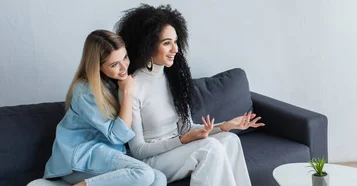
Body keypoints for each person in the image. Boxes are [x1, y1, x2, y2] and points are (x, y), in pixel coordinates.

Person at [115, 4, 264, 185]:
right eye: (167, 43)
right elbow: (138, 150)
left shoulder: (173, 78)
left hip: (177, 148)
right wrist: (182, 140)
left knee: (230, 140)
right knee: (209, 148)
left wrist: (225, 126)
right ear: (148, 45)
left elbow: (187, 129)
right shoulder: (133, 86)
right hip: (152, 160)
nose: (175, 49)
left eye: (176, 41)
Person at [38, 30, 166, 186]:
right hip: (79, 160)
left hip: (105, 155)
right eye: (114, 64)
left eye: (124, 57)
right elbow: (118, 136)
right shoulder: (85, 91)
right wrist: (127, 93)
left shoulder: (114, 81)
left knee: (159, 178)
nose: (123, 67)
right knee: (144, 173)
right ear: (97, 66)